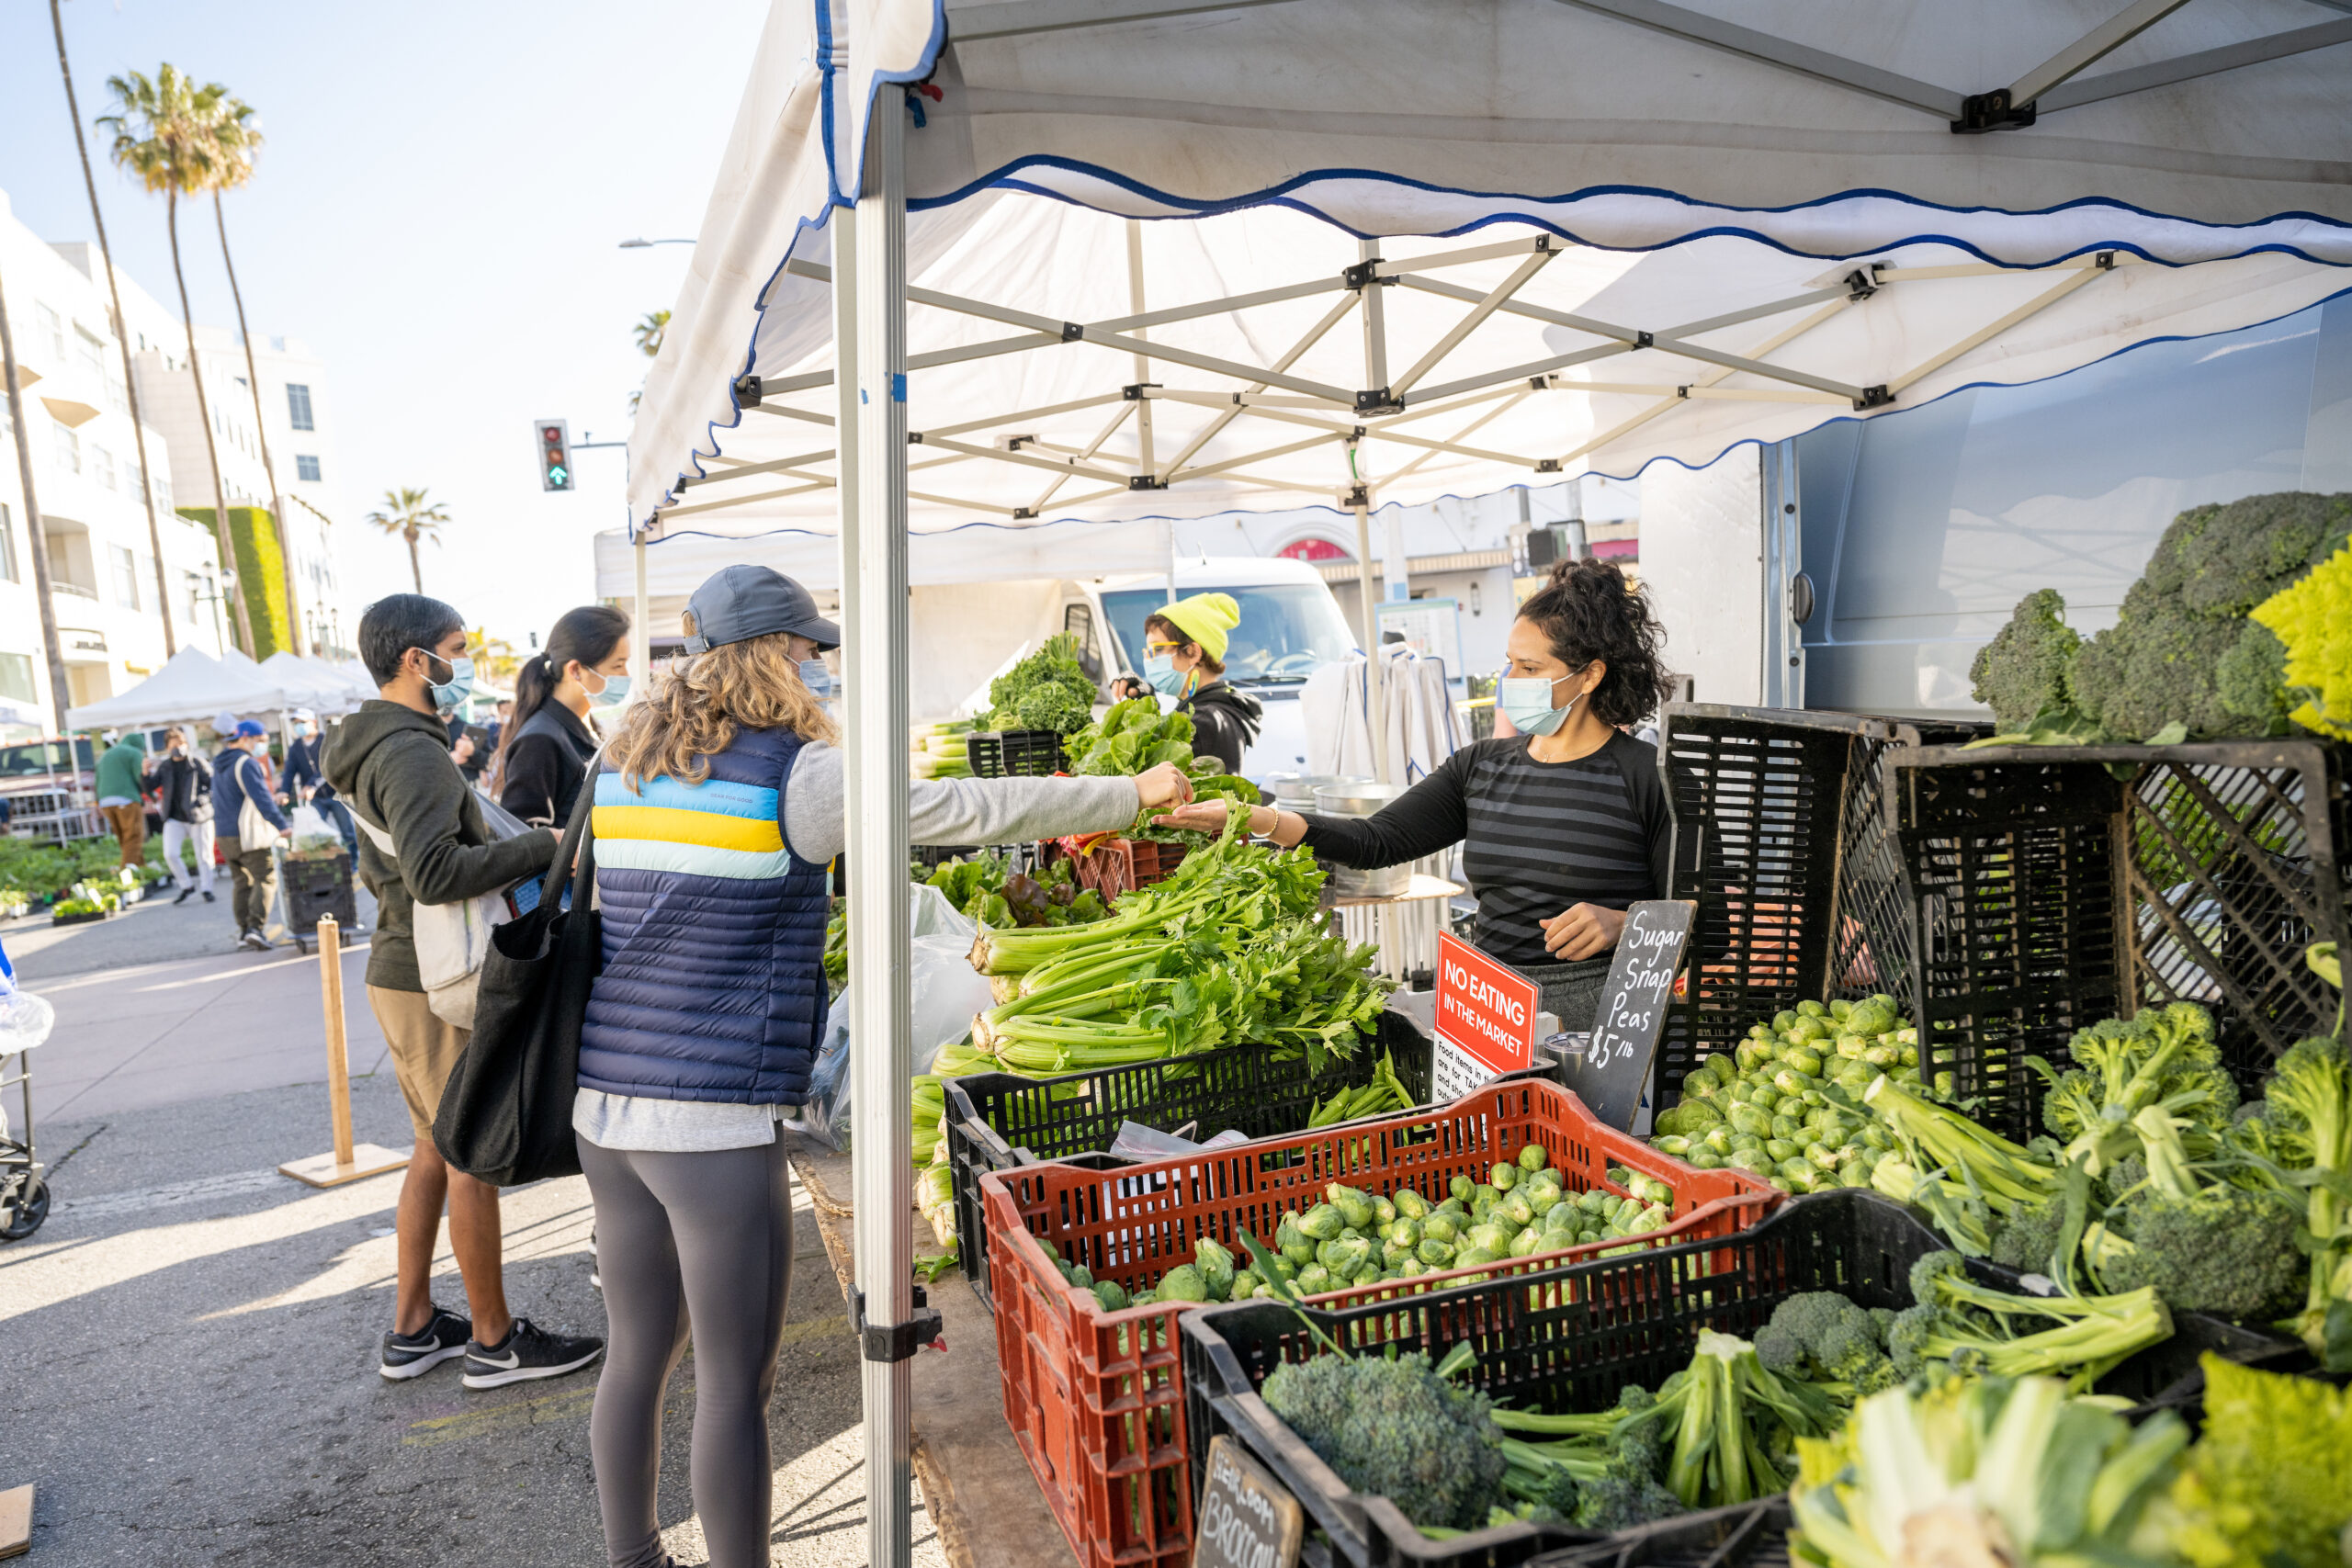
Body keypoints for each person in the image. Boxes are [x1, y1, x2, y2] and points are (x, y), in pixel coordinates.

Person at [574, 564, 1195, 1568]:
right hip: (713, 1120)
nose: (816, 669)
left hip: (605, 1106)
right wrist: (1130, 793)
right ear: (773, 656)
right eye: (808, 651)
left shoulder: (622, 763)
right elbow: (961, 809)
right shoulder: (797, 777)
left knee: (637, 1355)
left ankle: (632, 1559)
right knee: (734, 1385)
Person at [1157, 557, 1677, 1032]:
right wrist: (1251, 817)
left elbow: (1702, 916)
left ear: (1589, 676)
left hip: (1597, 1016)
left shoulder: (1649, 780)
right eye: (1510, 663)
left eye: (1530, 668)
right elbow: (1374, 841)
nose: (1509, 679)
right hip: (1489, 1003)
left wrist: (1624, 924)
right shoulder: (1481, 767)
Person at [322, 593, 603, 1391]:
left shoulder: (375, 743)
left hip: (401, 970)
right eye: (456, 648)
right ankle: (494, 1340)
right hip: (430, 976)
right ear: (417, 660)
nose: (465, 662)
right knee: (470, 1153)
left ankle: (413, 1327)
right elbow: (436, 872)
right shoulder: (408, 751)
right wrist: (544, 848)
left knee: (434, 1149)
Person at [494, 605, 629, 827]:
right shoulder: (539, 740)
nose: (626, 675)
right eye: (618, 665)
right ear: (575, 670)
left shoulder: (588, 725)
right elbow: (522, 834)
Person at [1138, 592, 1262, 774]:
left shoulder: (1203, 720)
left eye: (1157, 649)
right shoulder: (1211, 709)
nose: (1149, 660)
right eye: (1147, 651)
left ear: (1193, 652)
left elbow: (1148, 775)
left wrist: (1142, 712)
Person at [213, 721, 291, 951]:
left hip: (224, 834)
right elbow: (261, 798)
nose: (262, 746)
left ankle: (244, 931)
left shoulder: (218, 764)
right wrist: (281, 825)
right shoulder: (246, 763)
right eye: (260, 740)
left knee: (241, 882)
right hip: (247, 834)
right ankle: (255, 929)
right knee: (266, 877)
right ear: (245, 739)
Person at [144, 727, 215, 905]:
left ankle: (207, 888)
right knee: (170, 853)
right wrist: (144, 773)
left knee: (204, 855)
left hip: (198, 815)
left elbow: (213, 784)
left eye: (182, 743)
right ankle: (186, 886)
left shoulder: (197, 763)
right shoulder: (165, 766)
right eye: (175, 745)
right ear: (167, 747)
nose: (179, 747)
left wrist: (202, 800)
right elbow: (150, 786)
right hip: (174, 816)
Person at [95, 731, 148, 869]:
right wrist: (151, 795)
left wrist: (97, 801)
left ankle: (141, 869)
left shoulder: (106, 754)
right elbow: (140, 777)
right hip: (126, 799)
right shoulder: (135, 753)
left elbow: (97, 779)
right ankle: (126, 872)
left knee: (124, 839)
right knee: (133, 837)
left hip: (105, 802)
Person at [280, 713, 324, 805]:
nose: (299, 726)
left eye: (302, 722)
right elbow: (289, 771)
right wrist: (284, 791)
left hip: (335, 793)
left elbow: (329, 767)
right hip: (314, 798)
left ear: (314, 722)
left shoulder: (326, 740)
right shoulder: (295, 747)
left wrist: (311, 785)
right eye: (296, 723)